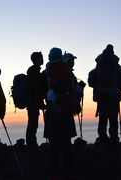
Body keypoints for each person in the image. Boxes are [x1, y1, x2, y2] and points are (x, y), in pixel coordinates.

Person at [44, 47, 77, 180]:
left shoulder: (45, 73)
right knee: (66, 143)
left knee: (54, 145)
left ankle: (54, 173)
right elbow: (74, 88)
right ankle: (67, 171)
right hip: (66, 110)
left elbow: (41, 91)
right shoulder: (67, 72)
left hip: (52, 112)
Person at [88, 44, 121, 144]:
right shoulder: (116, 67)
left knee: (103, 118)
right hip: (113, 97)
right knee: (113, 118)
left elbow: (91, 82)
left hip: (101, 96)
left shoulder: (98, 66)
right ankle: (114, 138)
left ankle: (102, 137)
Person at [25, 52, 45, 150]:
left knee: (32, 123)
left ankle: (31, 144)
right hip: (33, 102)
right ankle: (31, 145)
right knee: (33, 124)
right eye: (41, 58)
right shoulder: (35, 72)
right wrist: (40, 102)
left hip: (32, 102)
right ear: (36, 59)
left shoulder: (33, 71)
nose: (42, 59)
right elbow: (36, 90)